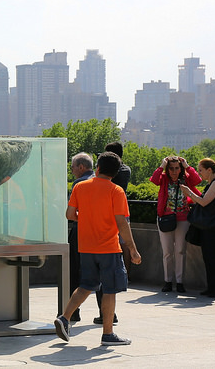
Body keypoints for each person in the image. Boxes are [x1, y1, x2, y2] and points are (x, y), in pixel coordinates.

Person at [54, 152, 142, 346]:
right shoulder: (116, 191)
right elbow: (122, 222)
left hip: (86, 246)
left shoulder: (81, 186)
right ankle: (108, 334)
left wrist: (86, 219)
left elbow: (70, 214)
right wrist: (133, 249)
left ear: (98, 168)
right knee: (110, 290)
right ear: (115, 172)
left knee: (85, 285)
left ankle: (65, 318)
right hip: (109, 248)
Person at [150, 156, 202, 293]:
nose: (174, 171)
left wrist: (187, 166)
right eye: (171, 168)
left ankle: (179, 282)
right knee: (167, 252)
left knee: (180, 251)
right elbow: (154, 180)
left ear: (180, 169)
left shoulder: (186, 178)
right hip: (166, 218)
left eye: (176, 168)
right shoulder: (164, 179)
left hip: (183, 218)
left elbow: (198, 180)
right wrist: (162, 165)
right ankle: (168, 281)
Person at [179, 158, 215, 298]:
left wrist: (188, 192)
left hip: (214, 228)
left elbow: (203, 202)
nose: (200, 173)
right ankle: (213, 287)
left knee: (213, 258)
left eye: (201, 170)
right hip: (210, 227)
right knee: (209, 258)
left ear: (209, 170)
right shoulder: (212, 184)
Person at [93, 142, 131, 325]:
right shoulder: (125, 172)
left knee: (98, 277)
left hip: (106, 225)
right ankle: (107, 316)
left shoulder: (117, 177)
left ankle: (67, 316)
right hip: (118, 219)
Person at [66, 152, 95, 322]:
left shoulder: (79, 183)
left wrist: (83, 218)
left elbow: (71, 213)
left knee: (74, 271)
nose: (72, 171)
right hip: (100, 234)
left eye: (72, 167)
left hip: (81, 232)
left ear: (81, 167)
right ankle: (107, 314)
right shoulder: (103, 182)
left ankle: (73, 311)